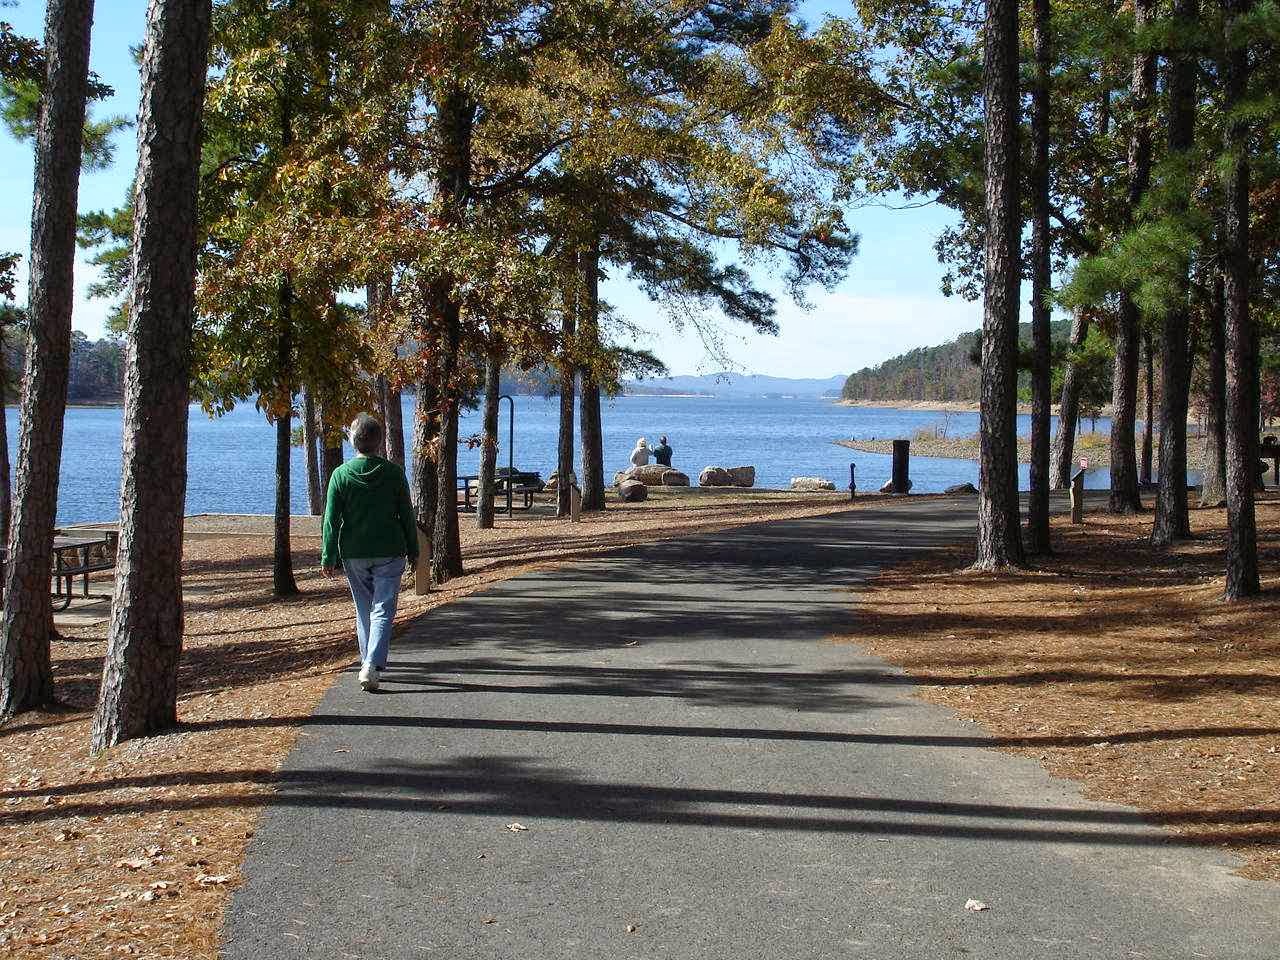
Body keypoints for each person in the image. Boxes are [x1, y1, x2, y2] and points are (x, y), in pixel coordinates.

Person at [322, 413, 418, 692]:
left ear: (353, 441)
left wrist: (329, 554)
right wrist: (413, 548)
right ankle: (371, 665)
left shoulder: (341, 475)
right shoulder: (393, 474)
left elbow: (331, 519)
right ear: (379, 441)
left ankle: (369, 664)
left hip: (354, 552)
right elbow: (406, 516)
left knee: (364, 608)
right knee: (383, 609)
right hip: (390, 549)